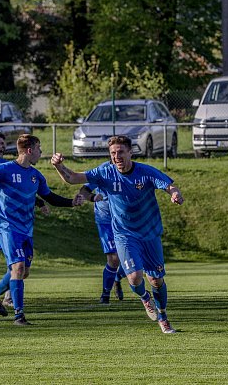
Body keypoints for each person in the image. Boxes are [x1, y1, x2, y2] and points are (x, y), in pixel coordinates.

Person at [50, 135, 184, 334]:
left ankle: (163, 317)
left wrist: (174, 194)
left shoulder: (145, 172)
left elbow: (168, 185)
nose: (116, 156)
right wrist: (59, 166)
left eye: (121, 152)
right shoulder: (105, 172)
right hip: (124, 234)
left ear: (130, 152)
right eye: (113, 153)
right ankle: (145, 298)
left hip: (149, 234)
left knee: (156, 279)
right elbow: (73, 178)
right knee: (135, 277)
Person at [0, 134, 84, 326]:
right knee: (17, 268)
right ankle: (19, 315)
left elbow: (49, 197)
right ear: (29, 150)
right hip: (8, 228)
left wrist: (71, 203)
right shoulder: (5, 169)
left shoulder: (36, 176)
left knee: (24, 271)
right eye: (39, 149)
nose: (41, 153)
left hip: (27, 229)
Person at [78, 183, 126, 304]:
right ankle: (105, 294)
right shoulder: (102, 171)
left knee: (134, 257)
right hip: (106, 221)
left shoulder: (131, 171)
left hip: (126, 220)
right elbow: (84, 189)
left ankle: (117, 277)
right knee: (114, 259)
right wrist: (93, 197)